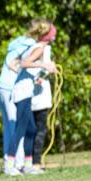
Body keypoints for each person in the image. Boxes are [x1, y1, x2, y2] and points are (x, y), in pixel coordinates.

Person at [1, 20, 57, 175]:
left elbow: (14, 63)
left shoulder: (36, 47)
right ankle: (9, 165)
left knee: (31, 129)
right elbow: (25, 63)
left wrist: (31, 75)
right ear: (47, 35)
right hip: (22, 92)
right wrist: (43, 66)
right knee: (20, 129)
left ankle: (28, 165)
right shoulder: (39, 48)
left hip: (26, 90)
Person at [29, 24, 59, 172]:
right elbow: (37, 72)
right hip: (37, 96)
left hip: (33, 95)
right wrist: (48, 69)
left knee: (34, 129)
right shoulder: (42, 48)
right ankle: (35, 163)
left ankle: (32, 162)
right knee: (40, 130)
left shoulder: (35, 46)